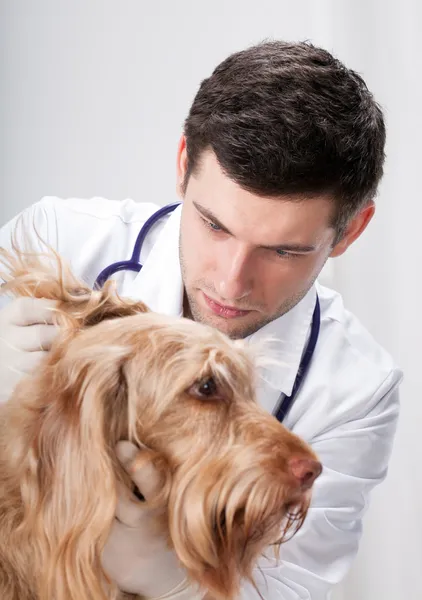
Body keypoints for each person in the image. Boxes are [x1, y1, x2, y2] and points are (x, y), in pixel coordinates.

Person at [0, 40, 402, 599]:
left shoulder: (354, 389)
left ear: (349, 233)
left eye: (282, 251)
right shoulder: (53, 240)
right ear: (183, 164)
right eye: (215, 225)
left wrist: (178, 586)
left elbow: (294, 587)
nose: (231, 282)